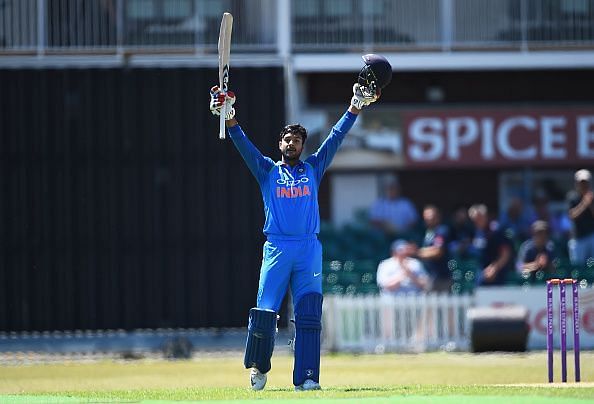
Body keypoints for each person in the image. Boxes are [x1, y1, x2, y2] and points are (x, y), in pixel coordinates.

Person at [209, 54, 392, 391]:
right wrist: (228, 115)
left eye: (297, 140)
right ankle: (259, 368)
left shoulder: (313, 167)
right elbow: (243, 145)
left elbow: (336, 137)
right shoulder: (267, 171)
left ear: (303, 146)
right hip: (277, 248)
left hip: (308, 248)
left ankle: (307, 378)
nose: (291, 143)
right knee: (265, 312)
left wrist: (355, 106)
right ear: (279, 145)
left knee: (309, 315)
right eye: (286, 139)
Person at [467, 204, 514, 286]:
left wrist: (495, 268)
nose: (476, 221)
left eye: (479, 218)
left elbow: (506, 253)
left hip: (497, 274)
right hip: (481, 272)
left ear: (485, 216)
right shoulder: (477, 231)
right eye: (474, 219)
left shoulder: (496, 230)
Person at [414, 205, 451, 293]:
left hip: (441, 276)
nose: (428, 219)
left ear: (438, 217)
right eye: (426, 217)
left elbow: (438, 251)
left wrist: (417, 253)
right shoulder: (428, 232)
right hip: (430, 274)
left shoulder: (441, 230)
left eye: (431, 217)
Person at [567, 169, 594, 266]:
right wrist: (584, 203)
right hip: (578, 238)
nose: (583, 186)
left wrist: (590, 204)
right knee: (578, 267)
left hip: (592, 236)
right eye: (581, 183)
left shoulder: (592, 197)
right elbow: (572, 215)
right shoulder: (572, 197)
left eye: (585, 183)